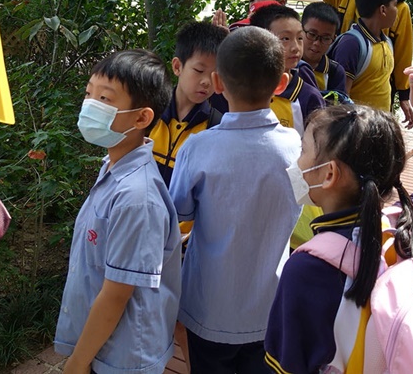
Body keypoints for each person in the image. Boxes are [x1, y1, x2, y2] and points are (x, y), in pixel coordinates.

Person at [263, 66, 413, 373]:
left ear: (329, 174)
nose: (297, 161)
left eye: (304, 149)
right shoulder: (409, 221)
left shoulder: (305, 269)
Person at [169, 27, 301, 374]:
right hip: (270, 307)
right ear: (281, 83)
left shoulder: (198, 147)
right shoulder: (297, 147)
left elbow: (178, 212)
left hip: (208, 308)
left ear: (217, 82)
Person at [56, 49, 182, 374]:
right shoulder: (113, 167)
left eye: (105, 99)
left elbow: (116, 294)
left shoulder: (137, 197)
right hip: (106, 345)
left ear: (141, 118)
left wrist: (77, 363)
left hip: (124, 356)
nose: (90, 105)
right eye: (89, 94)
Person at [150, 20, 229, 186]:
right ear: (177, 67)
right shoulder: (149, 112)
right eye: (199, 71)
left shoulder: (217, 128)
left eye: (216, 74)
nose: (207, 81)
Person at [249, 4, 325, 135]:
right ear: (258, 42)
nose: (295, 47)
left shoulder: (309, 97)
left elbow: (319, 142)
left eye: (300, 38)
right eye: (285, 39)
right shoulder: (242, 89)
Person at [330, 0, 399, 113]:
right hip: (359, 125)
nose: (397, 10)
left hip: (381, 123)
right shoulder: (351, 44)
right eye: (395, 5)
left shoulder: (386, 42)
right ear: (383, 10)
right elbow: (341, 100)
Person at [300, 2, 347, 95]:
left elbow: (338, 102)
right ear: (300, 30)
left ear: (333, 39)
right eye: (312, 34)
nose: (317, 43)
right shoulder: (288, 64)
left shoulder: (335, 72)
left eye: (326, 38)